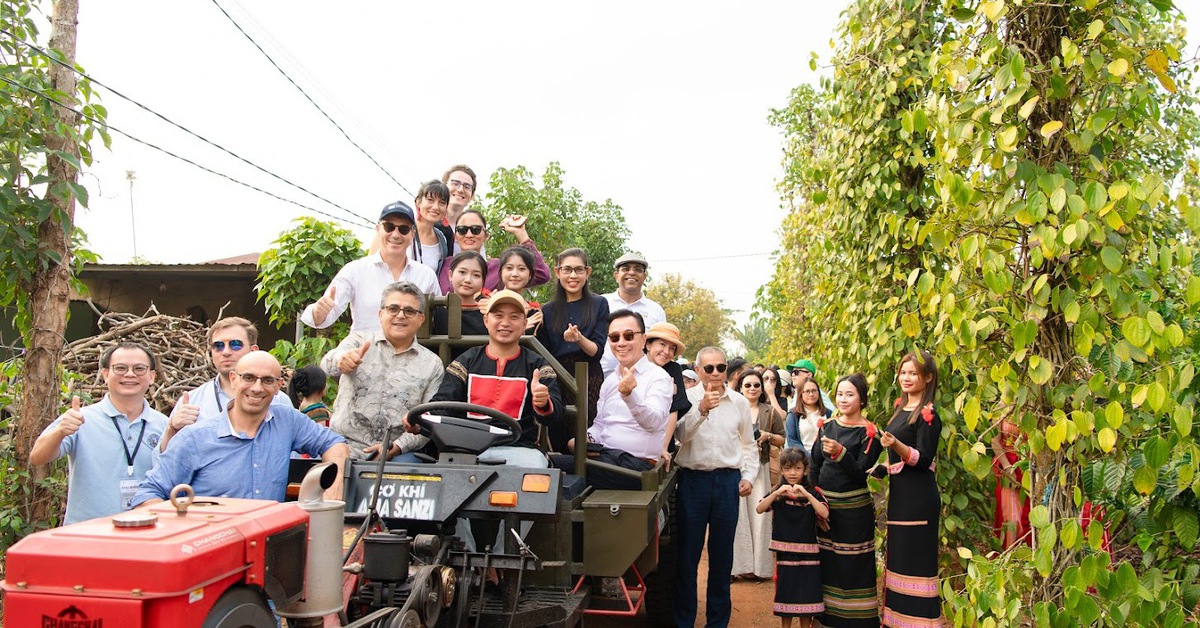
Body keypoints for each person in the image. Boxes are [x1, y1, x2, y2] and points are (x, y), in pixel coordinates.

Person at [412, 289, 563, 555]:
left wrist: (542, 402)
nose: (505, 323)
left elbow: (557, 414)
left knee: (538, 471)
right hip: (467, 452)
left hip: (519, 451)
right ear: (486, 320)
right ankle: (467, 556)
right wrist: (419, 421)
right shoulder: (466, 361)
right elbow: (443, 403)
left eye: (514, 316)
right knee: (444, 477)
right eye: (498, 315)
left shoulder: (538, 365)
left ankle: (505, 554)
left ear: (525, 322)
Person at [134, 351, 349, 506]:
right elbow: (147, 494)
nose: (257, 388)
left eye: (266, 380)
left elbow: (335, 443)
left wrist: (334, 483)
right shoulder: (195, 439)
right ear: (234, 380)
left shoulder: (287, 421)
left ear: (277, 386)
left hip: (265, 551)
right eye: (248, 378)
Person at [29, 342, 168, 525]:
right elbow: (37, 457)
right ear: (105, 374)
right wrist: (60, 432)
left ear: (151, 376)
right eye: (120, 368)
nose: (129, 374)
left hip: (144, 532)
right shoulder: (81, 418)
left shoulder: (164, 424)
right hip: (87, 535)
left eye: (139, 368)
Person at [673, 347, 758, 628]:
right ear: (697, 371)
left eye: (720, 368)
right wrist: (701, 410)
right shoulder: (686, 398)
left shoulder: (739, 402)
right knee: (688, 556)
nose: (715, 374)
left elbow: (748, 444)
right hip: (692, 481)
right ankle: (684, 621)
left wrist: (748, 475)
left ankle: (717, 623)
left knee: (722, 558)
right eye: (708, 368)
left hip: (727, 483)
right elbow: (679, 437)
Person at [321, 282, 445, 462]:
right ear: (381, 314)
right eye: (393, 308)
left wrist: (396, 447)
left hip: (397, 453)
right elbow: (327, 362)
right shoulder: (359, 341)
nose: (400, 315)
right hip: (343, 445)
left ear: (421, 319)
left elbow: (428, 422)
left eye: (409, 311)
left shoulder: (432, 364)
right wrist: (341, 360)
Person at [549, 310, 671, 489]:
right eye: (614, 337)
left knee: (550, 467)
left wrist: (630, 396)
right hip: (604, 457)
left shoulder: (658, 377)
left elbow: (654, 423)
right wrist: (585, 440)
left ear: (643, 340)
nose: (621, 343)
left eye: (628, 336)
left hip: (636, 467)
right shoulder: (611, 380)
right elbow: (600, 425)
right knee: (546, 462)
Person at [301, 200, 441, 334]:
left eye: (404, 229)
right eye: (389, 227)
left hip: (409, 355)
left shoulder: (426, 275)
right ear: (378, 229)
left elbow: (439, 319)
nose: (396, 234)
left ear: (412, 235)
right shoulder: (355, 270)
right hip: (363, 354)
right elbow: (322, 317)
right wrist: (319, 311)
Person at [810, 373, 881, 627]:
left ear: (862, 399)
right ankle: (826, 617)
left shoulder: (870, 433)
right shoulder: (827, 426)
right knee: (827, 561)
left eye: (850, 394)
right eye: (840, 393)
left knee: (854, 563)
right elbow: (814, 466)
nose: (843, 399)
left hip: (855, 511)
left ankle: (857, 621)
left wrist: (841, 454)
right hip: (827, 510)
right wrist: (817, 502)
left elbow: (862, 474)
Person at [879, 351, 942, 628]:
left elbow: (924, 458)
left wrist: (896, 446)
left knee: (917, 561)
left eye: (913, 373)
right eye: (903, 372)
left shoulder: (929, 415)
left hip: (919, 499)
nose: (906, 378)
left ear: (927, 377)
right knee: (900, 559)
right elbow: (894, 460)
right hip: (900, 497)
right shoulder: (899, 409)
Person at [162, 316, 290, 450]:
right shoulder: (192, 401)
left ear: (253, 350)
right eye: (218, 346)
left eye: (235, 344)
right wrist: (172, 430)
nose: (226, 352)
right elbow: (162, 462)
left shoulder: (279, 401)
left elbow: (292, 458)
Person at [537, 248, 610, 453]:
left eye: (579, 270)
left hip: (589, 377)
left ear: (588, 272)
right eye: (567, 269)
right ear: (558, 272)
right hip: (557, 378)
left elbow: (596, 351)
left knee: (585, 434)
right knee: (558, 432)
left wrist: (578, 339)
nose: (573, 275)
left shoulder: (599, 303)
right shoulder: (548, 310)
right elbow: (544, 351)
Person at [757, 447, 829, 628]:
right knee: (786, 593)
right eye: (788, 468)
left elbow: (824, 513)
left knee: (807, 596)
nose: (792, 473)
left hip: (809, 553)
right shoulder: (779, 493)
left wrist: (806, 494)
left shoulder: (812, 492)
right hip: (785, 553)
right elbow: (760, 508)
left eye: (797, 468)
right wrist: (776, 493)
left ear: (805, 470)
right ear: (781, 470)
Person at [732, 369, 785, 580]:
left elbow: (782, 439)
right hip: (735, 468)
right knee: (737, 518)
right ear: (740, 387)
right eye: (748, 385)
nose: (752, 388)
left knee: (760, 517)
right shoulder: (732, 408)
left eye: (756, 385)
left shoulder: (769, 411)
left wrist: (768, 436)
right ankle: (737, 568)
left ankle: (759, 569)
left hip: (760, 468)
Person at [598, 253, 666, 377]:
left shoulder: (656, 310)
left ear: (644, 276)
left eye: (637, 269)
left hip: (642, 381)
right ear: (616, 275)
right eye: (625, 269)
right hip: (602, 377)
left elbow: (661, 348)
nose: (631, 273)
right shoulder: (601, 303)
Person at [642, 322, 691, 465]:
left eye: (672, 348)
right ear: (648, 344)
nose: (666, 351)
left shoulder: (673, 369)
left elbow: (673, 411)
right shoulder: (634, 365)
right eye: (662, 344)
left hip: (661, 439)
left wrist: (662, 448)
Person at [432, 251, 489, 343]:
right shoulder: (436, 310)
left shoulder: (487, 312)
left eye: (476, 275)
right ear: (450, 275)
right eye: (462, 272)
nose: (468, 280)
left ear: (483, 281)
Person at [991, 418, 1030, 549]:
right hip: (1007, 464)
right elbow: (994, 441)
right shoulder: (1002, 407)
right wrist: (1007, 466)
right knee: (1010, 516)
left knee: (1027, 514)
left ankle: (1026, 555)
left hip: (1028, 467)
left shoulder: (1031, 406)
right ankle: (1009, 556)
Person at [409, 179, 454, 275]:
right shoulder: (396, 229)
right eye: (430, 200)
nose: (435, 207)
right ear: (418, 202)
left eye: (442, 203)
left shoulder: (442, 240)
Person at [786, 377, 831, 454]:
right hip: (804, 459)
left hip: (826, 459)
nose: (811, 394)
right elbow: (792, 441)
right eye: (807, 391)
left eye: (814, 391)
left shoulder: (828, 413)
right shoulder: (793, 415)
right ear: (801, 393)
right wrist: (808, 458)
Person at [442, 164, 477, 230]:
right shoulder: (426, 223)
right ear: (443, 187)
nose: (460, 190)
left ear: (472, 196)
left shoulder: (473, 232)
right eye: (455, 184)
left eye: (466, 187)